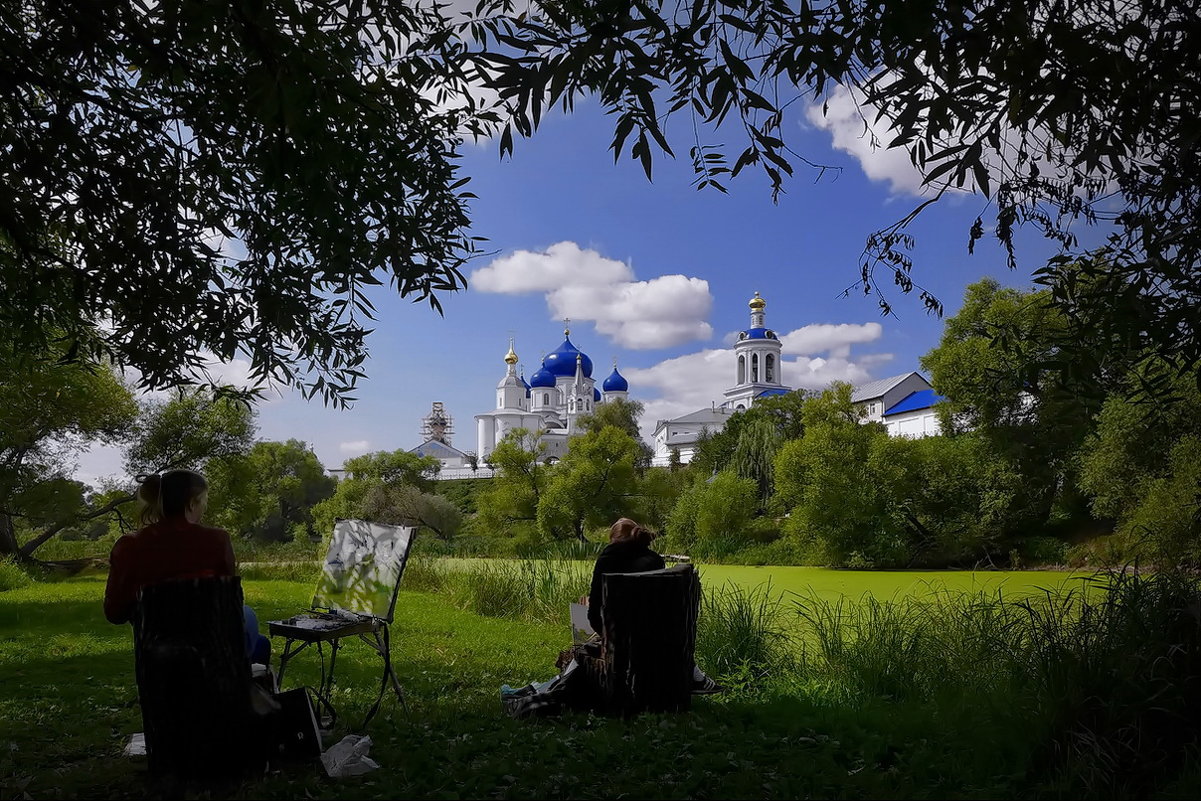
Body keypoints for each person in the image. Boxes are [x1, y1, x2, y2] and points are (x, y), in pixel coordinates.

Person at [104, 469, 270, 664]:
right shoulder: (217, 541)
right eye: (203, 502)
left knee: (258, 640)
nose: (204, 508)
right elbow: (228, 605)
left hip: (157, 658)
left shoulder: (128, 546)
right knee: (253, 626)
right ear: (192, 503)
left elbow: (115, 613)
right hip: (212, 653)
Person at [582, 517, 722, 695]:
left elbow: (594, 613)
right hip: (662, 638)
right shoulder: (654, 560)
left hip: (621, 639)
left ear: (614, 539)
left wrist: (602, 633)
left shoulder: (606, 560)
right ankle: (696, 677)